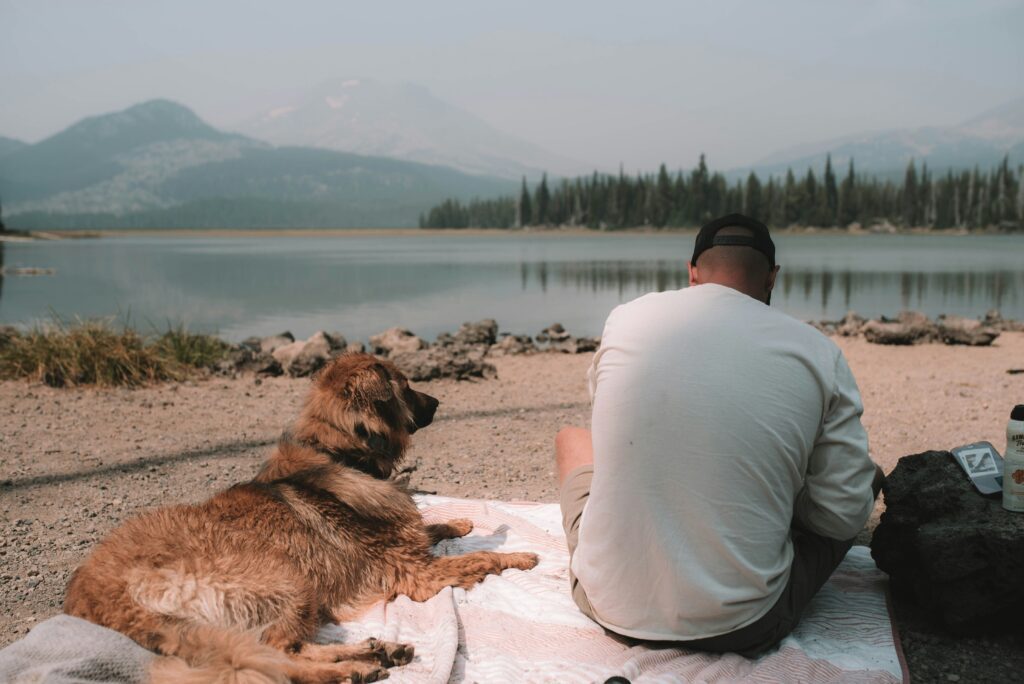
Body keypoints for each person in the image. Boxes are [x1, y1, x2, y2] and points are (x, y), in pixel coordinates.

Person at [555, 213, 884, 657]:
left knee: (572, 440)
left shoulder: (626, 318)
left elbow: (609, 418)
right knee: (861, 481)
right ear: (772, 277)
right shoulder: (817, 351)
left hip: (608, 603)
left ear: (692, 271)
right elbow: (841, 517)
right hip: (742, 623)